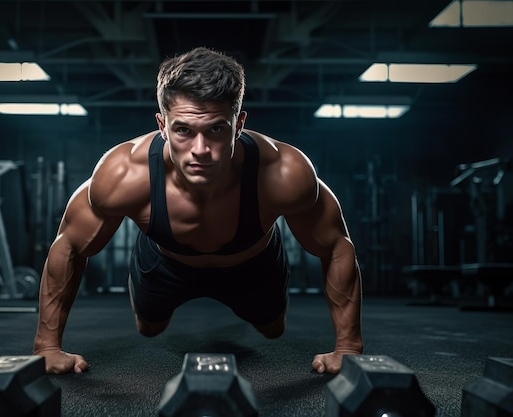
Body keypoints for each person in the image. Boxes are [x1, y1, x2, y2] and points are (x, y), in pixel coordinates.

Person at [33, 47, 363, 375]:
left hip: (253, 265)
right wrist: (47, 348)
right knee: (149, 328)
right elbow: (70, 245)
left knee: (273, 328)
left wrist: (348, 348)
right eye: (183, 130)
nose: (200, 150)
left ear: (239, 124)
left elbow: (335, 245)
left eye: (216, 129)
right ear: (162, 126)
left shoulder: (284, 173)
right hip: (165, 263)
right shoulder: (123, 174)